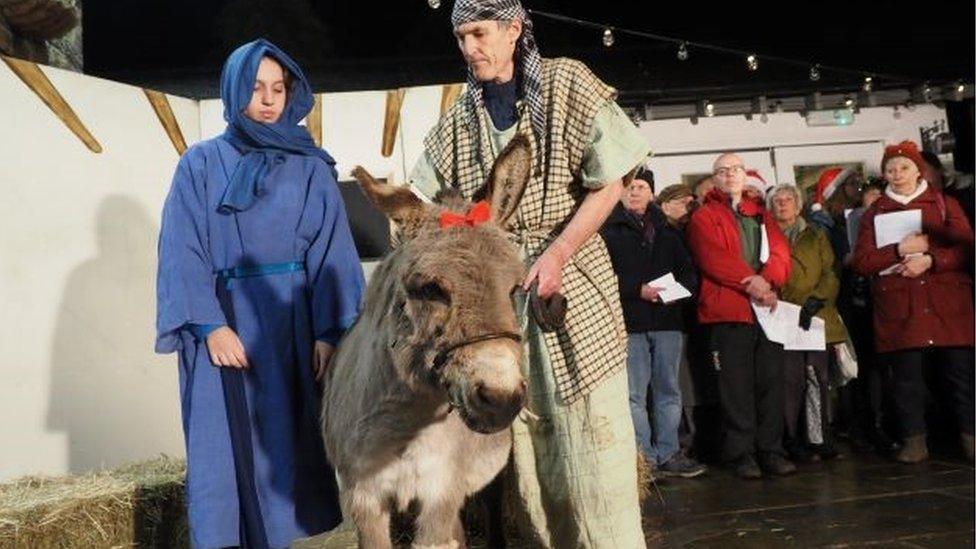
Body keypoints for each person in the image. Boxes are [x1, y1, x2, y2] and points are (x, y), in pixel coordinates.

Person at [408, 1, 650, 545]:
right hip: (500, 299)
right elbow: (435, 204)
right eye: (461, 37)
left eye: (480, 33)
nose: (471, 48)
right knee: (522, 438)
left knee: (589, 434)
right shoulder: (456, 123)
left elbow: (609, 181)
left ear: (514, 29)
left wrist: (559, 252)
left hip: (572, 280)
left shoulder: (567, 83)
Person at [155, 39, 365, 548]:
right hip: (227, 330)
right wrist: (210, 325)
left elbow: (331, 253)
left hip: (292, 328)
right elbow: (182, 248)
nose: (268, 99)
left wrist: (329, 330)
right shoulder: (201, 165)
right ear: (233, 90)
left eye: (278, 88)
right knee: (224, 454)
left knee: (285, 454)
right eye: (255, 88)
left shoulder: (312, 167)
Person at [852, 140, 975, 463]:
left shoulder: (944, 204)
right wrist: (897, 252)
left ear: (917, 170)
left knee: (960, 376)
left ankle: (970, 439)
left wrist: (932, 259)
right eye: (890, 169)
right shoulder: (874, 213)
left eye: (903, 167)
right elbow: (863, 261)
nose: (897, 174)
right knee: (906, 380)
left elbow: (967, 249)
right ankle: (914, 440)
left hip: (946, 304)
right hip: (900, 306)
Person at [686, 153, 795, 479]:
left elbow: (780, 254)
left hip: (766, 311)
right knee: (735, 389)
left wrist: (770, 281)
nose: (731, 175)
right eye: (723, 171)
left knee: (770, 384)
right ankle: (740, 453)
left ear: (744, 174)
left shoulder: (761, 214)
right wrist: (754, 284)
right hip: (729, 312)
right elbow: (712, 259)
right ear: (715, 179)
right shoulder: (704, 217)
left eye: (736, 169)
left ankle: (770, 450)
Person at [601, 174, 706, 478]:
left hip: (667, 323)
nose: (634, 192)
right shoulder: (607, 233)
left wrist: (670, 296)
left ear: (652, 194)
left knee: (668, 390)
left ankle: (669, 452)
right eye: (629, 187)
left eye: (641, 187)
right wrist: (637, 290)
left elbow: (689, 277)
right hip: (630, 323)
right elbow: (604, 280)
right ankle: (644, 458)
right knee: (634, 394)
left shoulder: (668, 234)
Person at [768, 184, 846, 461]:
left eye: (788, 199)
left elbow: (830, 273)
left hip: (814, 317)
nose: (783, 204)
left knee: (817, 378)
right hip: (782, 316)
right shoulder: (766, 234)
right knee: (790, 381)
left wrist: (817, 298)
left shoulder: (816, 234)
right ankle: (791, 439)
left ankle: (819, 437)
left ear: (798, 204)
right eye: (777, 200)